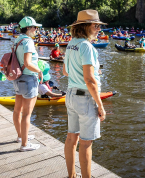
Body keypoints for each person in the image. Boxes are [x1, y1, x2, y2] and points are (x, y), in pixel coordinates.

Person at [63, 9, 106, 178]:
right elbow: (89, 80)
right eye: (96, 26)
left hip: (71, 95)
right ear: (86, 26)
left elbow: (66, 72)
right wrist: (100, 105)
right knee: (86, 143)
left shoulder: (71, 43)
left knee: (71, 138)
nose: (98, 29)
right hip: (85, 99)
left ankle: (71, 176)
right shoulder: (87, 47)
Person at [13, 16, 43, 152]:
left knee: (17, 110)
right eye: (35, 27)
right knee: (26, 114)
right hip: (29, 79)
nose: (36, 30)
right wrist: (40, 71)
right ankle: (25, 145)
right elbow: (28, 63)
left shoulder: (17, 40)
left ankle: (21, 136)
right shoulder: (28, 42)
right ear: (29, 28)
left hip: (17, 78)